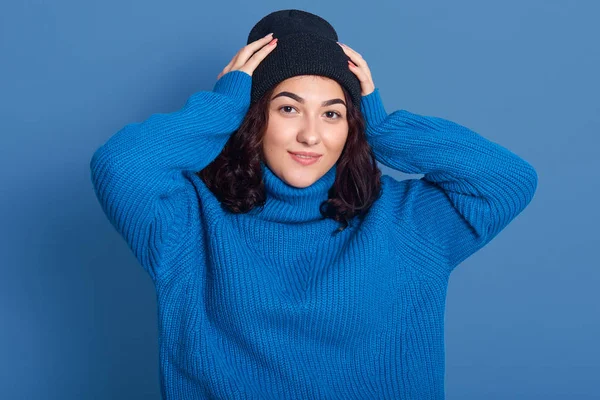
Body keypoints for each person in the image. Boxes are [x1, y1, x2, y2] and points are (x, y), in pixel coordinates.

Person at [90, 9, 538, 400]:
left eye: (332, 113)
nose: (311, 135)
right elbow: (119, 167)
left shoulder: (407, 221)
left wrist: (381, 127)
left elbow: (508, 181)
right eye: (287, 108)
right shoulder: (187, 221)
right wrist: (222, 107)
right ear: (254, 116)